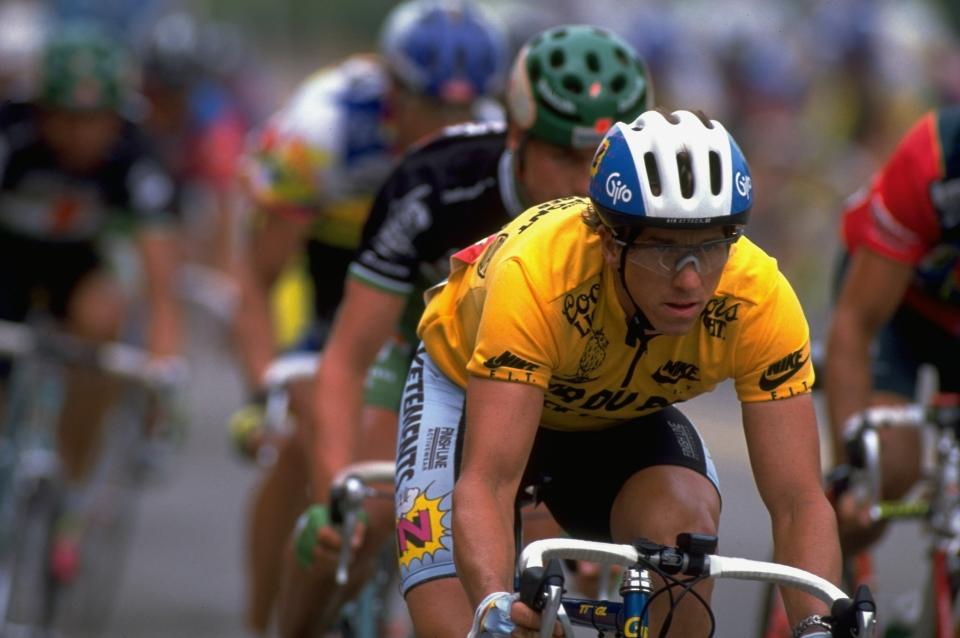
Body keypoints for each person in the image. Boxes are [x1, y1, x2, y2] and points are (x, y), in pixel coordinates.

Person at [397, 109, 840, 637]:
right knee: (464, 623)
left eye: (712, 245)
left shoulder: (758, 298)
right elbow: (488, 482)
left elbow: (798, 502)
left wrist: (818, 624)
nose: (691, 279)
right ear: (610, 244)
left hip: (613, 416)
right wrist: (497, 602)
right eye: (664, 251)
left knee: (685, 541)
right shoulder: (538, 279)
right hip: (470, 392)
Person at [287, 24, 653, 636]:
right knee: (362, 522)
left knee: (546, 560)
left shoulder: (628, 219)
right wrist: (335, 494)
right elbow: (347, 360)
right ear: (516, 136)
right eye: (563, 156)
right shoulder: (435, 183)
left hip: (546, 376)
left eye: (598, 161)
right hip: (420, 350)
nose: (582, 183)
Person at [230, 2, 509, 633]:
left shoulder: (492, 140)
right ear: (392, 89)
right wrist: (260, 386)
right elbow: (255, 277)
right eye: (431, 107)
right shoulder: (322, 129)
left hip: (418, 303)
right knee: (304, 431)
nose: (448, 125)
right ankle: (264, 618)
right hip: (326, 293)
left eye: (462, 111)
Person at [0, 22, 181, 577]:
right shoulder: (13, 138)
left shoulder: (135, 152)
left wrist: (163, 370)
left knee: (105, 313)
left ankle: (72, 485)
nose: (82, 135)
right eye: (67, 118)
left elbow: (159, 276)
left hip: (78, 269)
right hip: (8, 263)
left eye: (96, 120)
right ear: (41, 110)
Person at [825, 106, 960, 552]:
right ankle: (814, 595)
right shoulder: (934, 160)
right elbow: (856, 324)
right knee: (886, 471)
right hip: (893, 305)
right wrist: (854, 470)